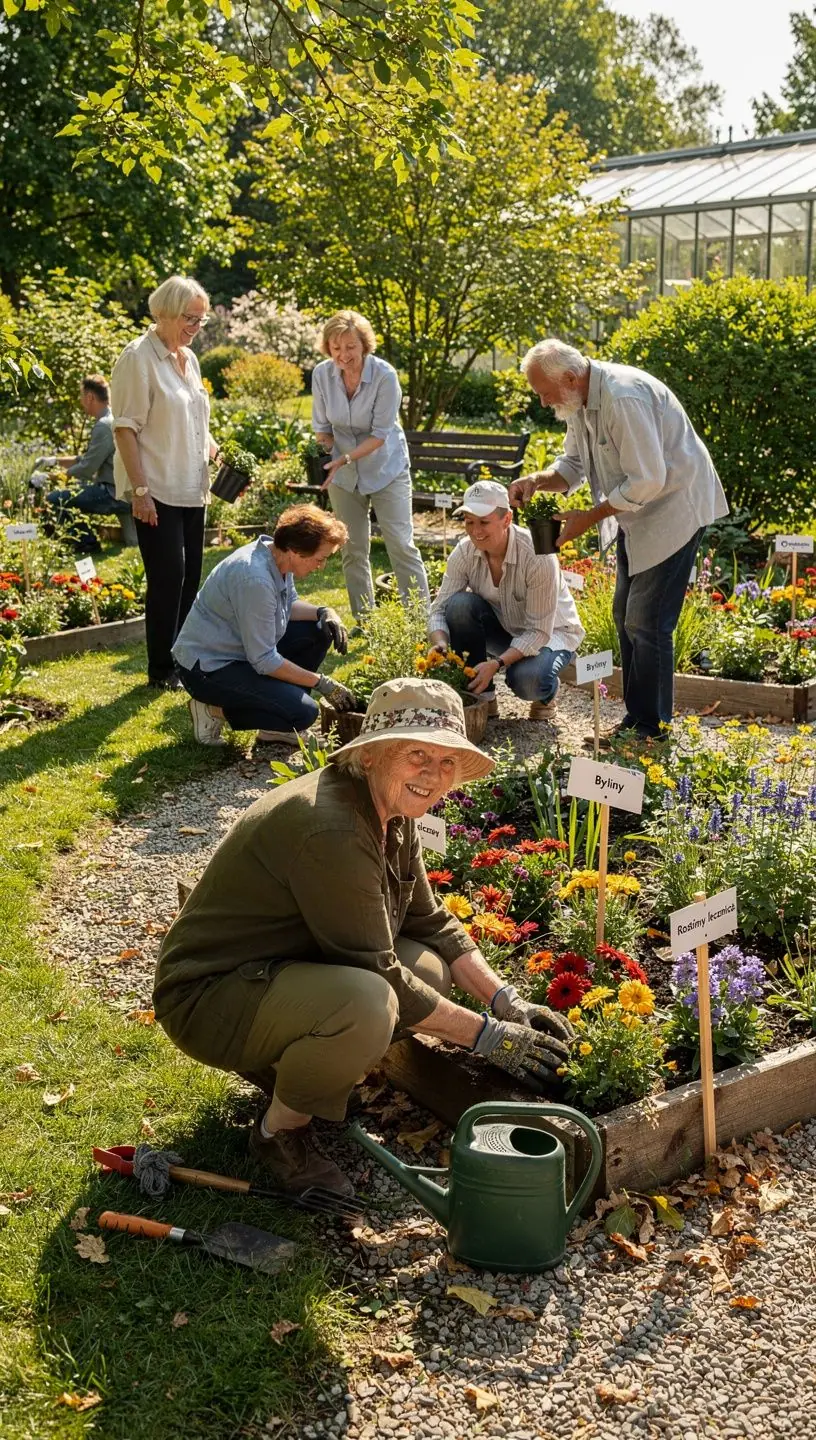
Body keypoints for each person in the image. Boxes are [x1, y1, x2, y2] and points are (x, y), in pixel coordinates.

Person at [153, 678, 573, 1197]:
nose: (433, 774)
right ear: (372, 754)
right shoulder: (333, 828)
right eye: (417, 754)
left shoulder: (390, 810)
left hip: (275, 969)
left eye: (446, 762)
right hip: (208, 996)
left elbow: (430, 920)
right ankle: (277, 1134)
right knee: (370, 1004)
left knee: (427, 968)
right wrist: (490, 1039)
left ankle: (306, 1066)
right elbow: (378, 973)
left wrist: (508, 1003)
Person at [510, 339, 728, 740]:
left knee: (646, 623)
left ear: (571, 378)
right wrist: (538, 480)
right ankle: (638, 720)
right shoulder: (579, 401)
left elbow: (648, 480)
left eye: (544, 392)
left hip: (675, 510)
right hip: (637, 514)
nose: (542, 402)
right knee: (624, 616)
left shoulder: (623, 398)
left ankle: (652, 728)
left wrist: (588, 519)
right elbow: (573, 464)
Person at [111, 275, 219, 690]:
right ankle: (160, 669)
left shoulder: (188, 360)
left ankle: (181, 657)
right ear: (165, 313)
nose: (195, 327)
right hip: (157, 489)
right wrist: (140, 492)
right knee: (167, 576)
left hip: (193, 487)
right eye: (190, 318)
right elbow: (125, 429)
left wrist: (219, 455)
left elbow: (195, 422)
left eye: (201, 320)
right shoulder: (138, 358)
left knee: (190, 575)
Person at [173, 505, 356, 746]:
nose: (321, 567)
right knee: (304, 713)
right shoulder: (255, 579)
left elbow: (289, 604)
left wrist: (324, 612)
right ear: (295, 550)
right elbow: (264, 660)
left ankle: (276, 729)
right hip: (207, 668)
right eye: (319, 559)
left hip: (241, 653)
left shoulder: (277, 557)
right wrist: (322, 682)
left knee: (319, 630)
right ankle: (211, 710)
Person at [428, 479, 584, 722]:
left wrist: (498, 663)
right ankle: (483, 696)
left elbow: (538, 631)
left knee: (526, 681)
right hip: (507, 628)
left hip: (551, 635)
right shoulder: (464, 551)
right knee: (459, 605)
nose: (475, 531)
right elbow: (439, 609)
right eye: (469, 522)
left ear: (507, 520)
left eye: (484, 522)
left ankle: (547, 692)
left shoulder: (537, 555)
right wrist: (440, 643)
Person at [311, 310, 429, 623]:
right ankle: (367, 621)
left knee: (400, 545)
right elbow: (322, 428)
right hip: (342, 473)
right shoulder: (322, 375)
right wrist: (321, 457)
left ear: (364, 345)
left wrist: (345, 458)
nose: (343, 355)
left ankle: (420, 620)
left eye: (350, 347)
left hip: (385, 468)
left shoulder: (384, 376)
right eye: (336, 347)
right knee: (351, 548)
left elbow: (380, 435)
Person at [42, 375, 123, 548]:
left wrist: (51, 478)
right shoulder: (112, 418)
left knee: (55, 498)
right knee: (69, 495)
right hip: (121, 490)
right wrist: (54, 460)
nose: (81, 401)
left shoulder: (103, 425)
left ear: (90, 397)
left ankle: (87, 544)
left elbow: (87, 468)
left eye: (81, 396)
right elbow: (87, 459)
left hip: (111, 494)